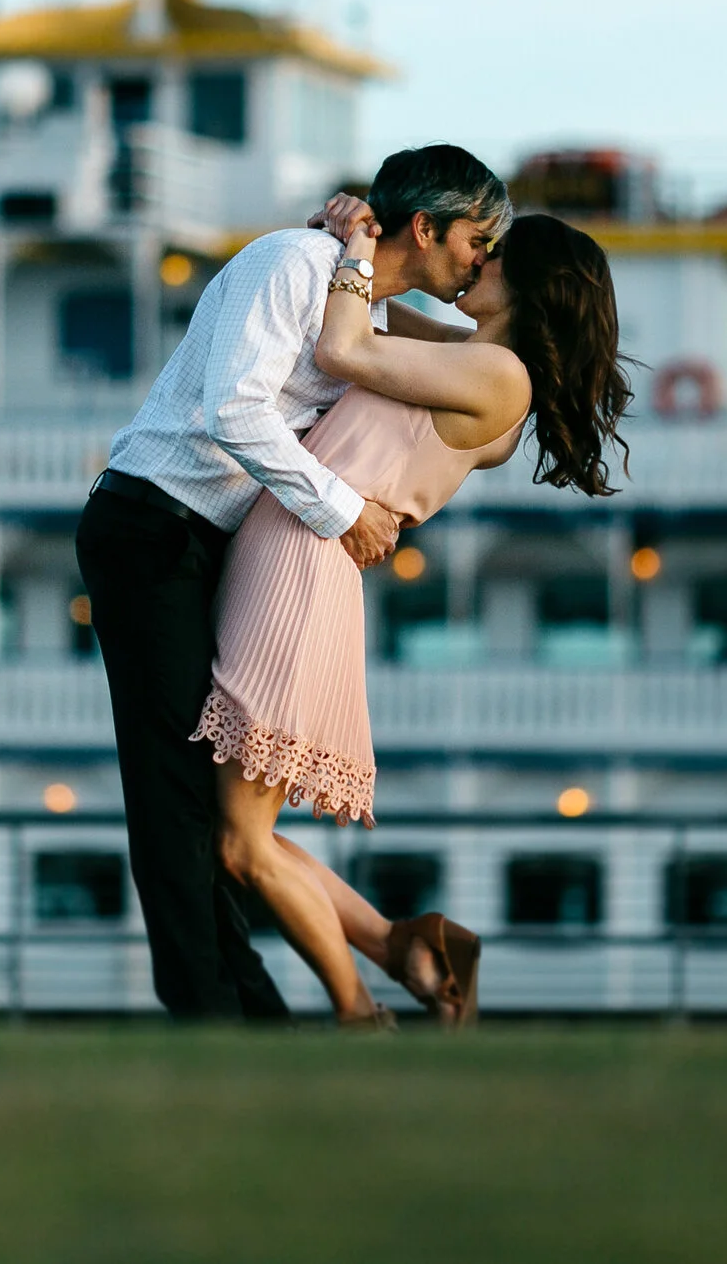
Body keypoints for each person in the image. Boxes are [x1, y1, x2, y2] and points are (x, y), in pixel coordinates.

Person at [76, 144, 509, 1023]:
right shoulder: (291, 262)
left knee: (197, 800)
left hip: (199, 539)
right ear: (424, 228)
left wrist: (357, 246)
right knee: (172, 797)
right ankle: (213, 1011)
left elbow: (476, 352)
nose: (481, 259)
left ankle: (247, 1011)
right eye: (475, 239)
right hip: (151, 528)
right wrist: (344, 509)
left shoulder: (353, 291)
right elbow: (233, 408)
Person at [199, 198, 631, 1027]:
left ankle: (362, 1012)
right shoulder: (478, 359)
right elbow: (374, 311)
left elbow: (345, 344)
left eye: (494, 255)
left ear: (528, 285)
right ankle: (402, 948)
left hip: (299, 560)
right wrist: (352, 240)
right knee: (240, 831)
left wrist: (359, 250)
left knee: (240, 842)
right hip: (295, 551)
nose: (476, 264)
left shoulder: (499, 378)